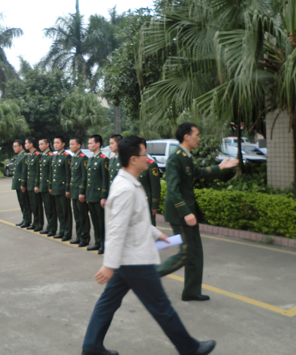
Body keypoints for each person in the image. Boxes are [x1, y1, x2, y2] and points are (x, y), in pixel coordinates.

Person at [81, 136, 216, 355]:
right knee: (161, 307)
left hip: (128, 259)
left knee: (107, 303)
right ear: (134, 159)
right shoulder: (125, 188)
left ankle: (91, 346)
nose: (148, 158)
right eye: (144, 154)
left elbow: (135, 220)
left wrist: (155, 234)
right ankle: (190, 349)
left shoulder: (129, 182)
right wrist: (109, 264)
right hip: (135, 261)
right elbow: (116, 230)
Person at [156, 123, 238, 301]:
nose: (199, 138)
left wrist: (220, 167)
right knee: (186, 252)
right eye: (197, 134)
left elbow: (197, 172)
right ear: (187, 136)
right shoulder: (175, 157)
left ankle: (191, 291)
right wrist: (185, 212)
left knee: (196, 252)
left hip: (187, 212)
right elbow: (172, 188)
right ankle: (150, 275)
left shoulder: (185, 156)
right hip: (181, 214)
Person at [85, 135, 109, 254]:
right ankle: (98, 242)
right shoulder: (90, 159)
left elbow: (105, 179)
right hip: (91, 195)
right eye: (88, 143)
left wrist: (103, 196)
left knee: (102, 221)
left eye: (91, 143)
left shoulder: (103, 159)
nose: (89, 145)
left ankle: (104, 244)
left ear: (98, 144)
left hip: (99, 196)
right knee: (95, 220)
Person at [69, 137, 90, 247]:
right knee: (77, 216)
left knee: (83, 216)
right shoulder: (73, 158)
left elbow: (84, 177)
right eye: (70, 144)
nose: (70, 146)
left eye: (73, 144)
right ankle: (78, 236)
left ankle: (85, 238)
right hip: (73, 191)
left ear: (79, 145)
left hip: (79, 192)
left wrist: (82, 192)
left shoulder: (83, 158)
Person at [50, 136, 72, 241]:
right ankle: (62, 231)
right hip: (56, 188)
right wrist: (51, 186)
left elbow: (68, 174)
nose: (55, 144)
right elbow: (52, 173)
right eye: (54, 143)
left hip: (63, 188)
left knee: (65, 211)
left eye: (58, 143)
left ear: (63, 144)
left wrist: (68, 189)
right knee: (59, 211)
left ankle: (67, 233)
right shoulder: (54, 156)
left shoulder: (66, 156)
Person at [37, 138, 57, 236]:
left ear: (47, 144)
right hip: (43, 186)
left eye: (42, 144)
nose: (40, 146)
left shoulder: (50, 156)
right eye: (39, 144)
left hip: (48, 186)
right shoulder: (43, 156)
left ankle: (52, 228)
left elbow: (51, 173)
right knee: (47, 208)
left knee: (50, 208)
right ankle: (49, 226)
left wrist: (50, 186)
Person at [23, 137, 44, 231]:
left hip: (34, 185)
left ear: (31, 144)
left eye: (26, 143)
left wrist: (36, 184)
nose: (25, 145)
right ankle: (34, 223)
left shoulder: (37, 155)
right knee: (32, 205)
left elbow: (37, 172)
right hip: (29, 184)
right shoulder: (29, 155)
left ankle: (39, 224)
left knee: (37, 205)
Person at [139, 142, 161, 226]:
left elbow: (155, 186)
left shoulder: (151, 165)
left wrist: (155, 204)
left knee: (149, 227)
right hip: (137, 202)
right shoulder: (134, 164)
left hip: (147, 202)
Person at [12, 140, 31, 228]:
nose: (14, 148)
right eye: (14, 146)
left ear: (21, 147)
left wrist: (23, 184)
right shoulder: (19, 156)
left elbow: (24, 171)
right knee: (21, 202)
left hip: (21, 183)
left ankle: (27, 220)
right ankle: (24, 218)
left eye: (16, 146)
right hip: (17, 183)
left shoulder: (24, 156)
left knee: (25, 202)